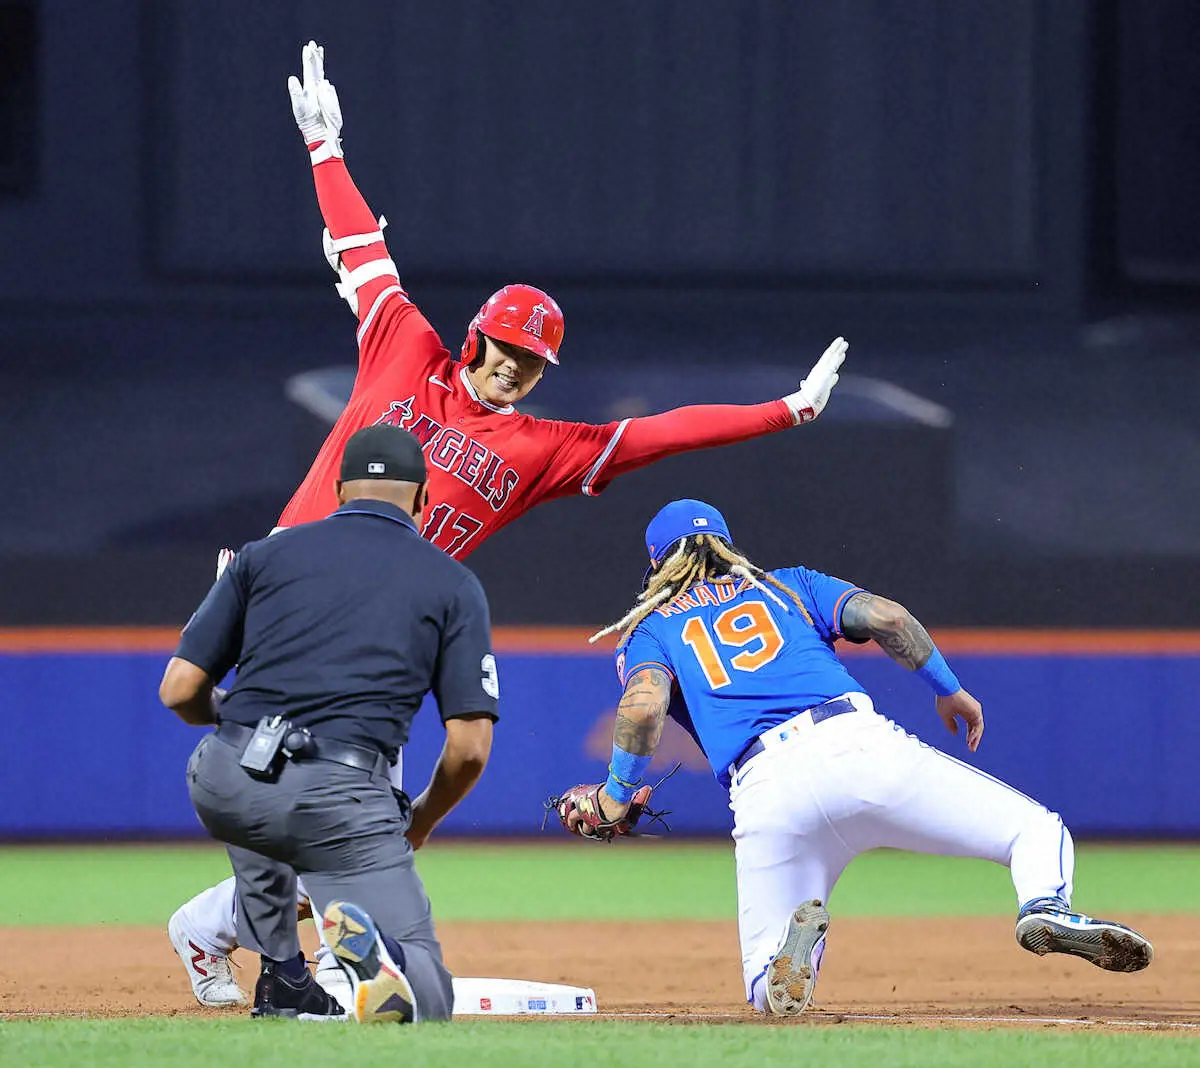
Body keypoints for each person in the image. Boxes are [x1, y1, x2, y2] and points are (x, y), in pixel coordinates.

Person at [169, 38, 850, 1007]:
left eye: (531, 362)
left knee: (347, 804)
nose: (513, 368)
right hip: (290, 587)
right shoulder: (404, 348)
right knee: (336, 799)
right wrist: (325, 148)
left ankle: (221, 930)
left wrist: (783, 411)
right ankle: (298, 955)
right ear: (477, 333)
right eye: (504, 348)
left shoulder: (539, 448)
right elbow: (361, 246)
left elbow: (659, 433)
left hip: (383, 630)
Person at [555, 498, 1153, 1016]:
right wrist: (947, 689)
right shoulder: (787, 584)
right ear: (727, 546)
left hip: (766, 789)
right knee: (1035, 831)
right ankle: (1045, 906)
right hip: (857, 747)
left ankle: (793, 953)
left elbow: (641, 709)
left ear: (657, 566)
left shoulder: (651, 629)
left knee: (766, 991)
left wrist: (614, 796)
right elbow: (888, 617)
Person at [160, 425, 498, 1022]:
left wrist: (236, 722)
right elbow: (469, 748)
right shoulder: (450, 582)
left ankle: (285, 979)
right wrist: (421, 820)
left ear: (339, 491)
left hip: (227, 776)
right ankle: (383, 960)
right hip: (338, 789)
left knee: (264, 812)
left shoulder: (262, 556)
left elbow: (179, 690)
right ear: (424, 499)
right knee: (430, 999)